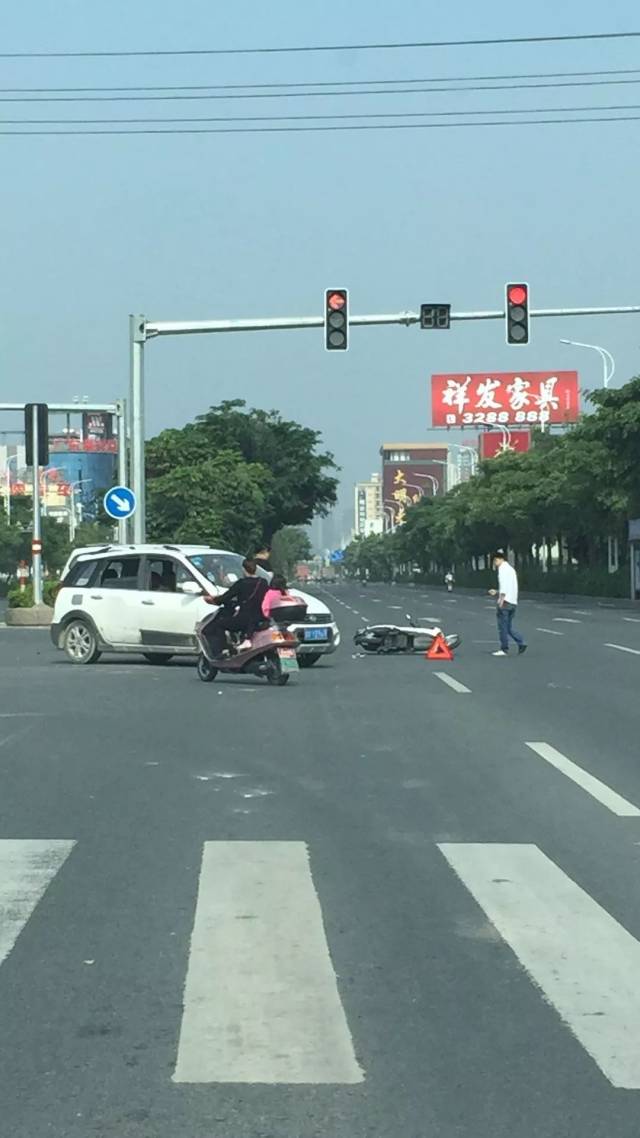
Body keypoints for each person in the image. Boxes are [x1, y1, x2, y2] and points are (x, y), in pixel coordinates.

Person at [205, 558, 268, 657]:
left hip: (244, 619)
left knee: (219, 625)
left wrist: (212, 600)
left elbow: (226, 597)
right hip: (260, 618)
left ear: (243, 569)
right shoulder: (263, 582)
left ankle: (223, 651)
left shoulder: (242, 583)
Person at [489, 550, 527, 657]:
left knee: (502, 627)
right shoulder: (511, 569)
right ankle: (521, 642)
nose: (495, 564)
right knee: (508, 627)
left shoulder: (502, 569)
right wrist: (497, 591)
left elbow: (504, 586)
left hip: (505, 602)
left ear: (499, 559)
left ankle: (504, 648)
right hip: (513, 601)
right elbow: (511, 586)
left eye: (495, 561)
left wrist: (500, 599)